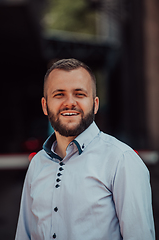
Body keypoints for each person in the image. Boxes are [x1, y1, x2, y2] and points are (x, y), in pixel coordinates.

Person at [15, 58, 155, 240]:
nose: (69, 102)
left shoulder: (121, 160)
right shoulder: (37, 164)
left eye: (79, 94)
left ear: (95, 104)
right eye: (59, 94)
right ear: (45, 106)